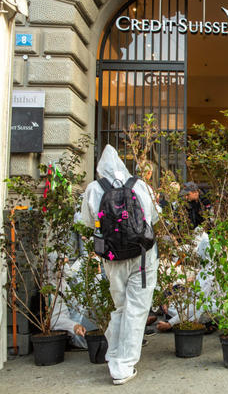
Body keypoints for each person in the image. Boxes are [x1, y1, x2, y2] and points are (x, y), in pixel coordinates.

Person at [81, 145, 159, 385]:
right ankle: (122, 366)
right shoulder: (139, 186)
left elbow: (87, 221)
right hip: (142, 256)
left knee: (121, 306)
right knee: (137, 308)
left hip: (112, 259)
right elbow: (153, 217)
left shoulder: (94, 189)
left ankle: (114, 354)